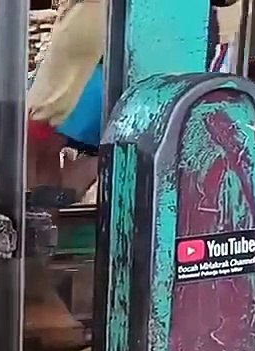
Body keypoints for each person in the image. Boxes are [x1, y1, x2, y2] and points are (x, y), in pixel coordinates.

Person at [25, 0, 243, 203]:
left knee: (39, 138)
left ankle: (46, 226)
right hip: (155, 34)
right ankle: (49, 223)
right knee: (69, 148)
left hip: (129, 30)